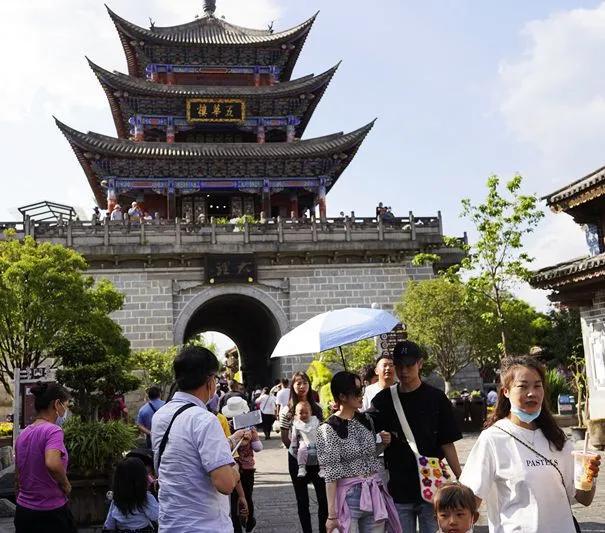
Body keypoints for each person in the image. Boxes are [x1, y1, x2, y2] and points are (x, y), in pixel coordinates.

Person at [460, 355, 602, 533]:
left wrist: (589, 476)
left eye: (537, 385)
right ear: (505, 391)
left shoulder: (557, 438)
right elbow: (469, 500)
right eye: (523, 386)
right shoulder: (492, 439)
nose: (532, 393)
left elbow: (583, 499)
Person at [370, 340, 463, 533]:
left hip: (432, 486)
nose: (404, 371)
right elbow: (368, 440)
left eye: (409, 365)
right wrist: (379, 439)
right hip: (398, 487)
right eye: (399, 366)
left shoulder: (436, 398)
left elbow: (447, 443)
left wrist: (462, 478)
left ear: (420, 363)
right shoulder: (382, 401)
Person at [151, 345, 240, 532]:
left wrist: (231, 441)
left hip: (171, 525)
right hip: (205, 526)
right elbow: (225, 484)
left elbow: (187, 453)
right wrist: (235, 469)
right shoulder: (205, 420)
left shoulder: (160, 416)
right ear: (209, 381)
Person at [317, 371, 401, 533]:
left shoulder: (366, 420)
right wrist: (332, 515)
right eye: (356, 391)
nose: (361, 395)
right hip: (349, 496)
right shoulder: (328, 429)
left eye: (361, 389)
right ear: (342, 396)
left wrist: (383, 444)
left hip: (373, 491)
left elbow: (368, 455)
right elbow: (331, 474)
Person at [14, 382, 76, 533]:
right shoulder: (53, 431)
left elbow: (17, 475)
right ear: (56, 404)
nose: (65, 411)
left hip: (23, 511)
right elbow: (52, 463)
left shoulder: (23, 434)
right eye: (65, 405)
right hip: (50, 513)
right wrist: (66, 484)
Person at [280, 372, 328, 533]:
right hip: (297, 460)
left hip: (319, 460)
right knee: (302, 501)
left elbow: (324, 432)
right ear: (292, 386)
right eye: (298, 383)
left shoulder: (318, 408)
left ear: (309, 385)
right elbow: (285, 437)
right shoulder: (287, 410)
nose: (302, 386)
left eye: (305, 383)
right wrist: (300, 452)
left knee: (323, 499)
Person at [222, 397, 263, 533]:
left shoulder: (226, 427)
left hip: (232, 467)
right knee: (247, 496)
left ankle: (238, 526)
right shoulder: (250, 429)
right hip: (246, 468)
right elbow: (258, 447)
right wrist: (253, 437)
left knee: (235, 498)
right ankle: (249, 522)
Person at [103, 456, 159, 532]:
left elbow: (109, 524)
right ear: (141, 479)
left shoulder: (116, 499)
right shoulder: (146, 498)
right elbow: (158, 517)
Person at [291, 401, 321, 478]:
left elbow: (321, 431)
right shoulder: (297, 423)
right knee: (301, 451)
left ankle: (322, 468)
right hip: (304, 441)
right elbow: (294, 436)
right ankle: (302, 467)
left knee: (322, 451)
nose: (304, 415)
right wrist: (294, 446)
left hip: (316, 441)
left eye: (306, 413)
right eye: (301, 413)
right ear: (296, 414)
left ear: (310, 412)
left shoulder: (315, 421)